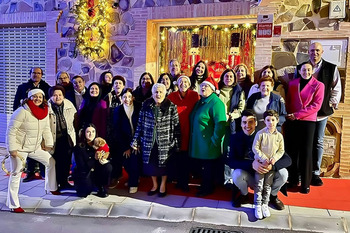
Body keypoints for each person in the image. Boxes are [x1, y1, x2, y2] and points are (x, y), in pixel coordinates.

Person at [295, 42, 341, 186]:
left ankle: (315, 173)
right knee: (304, 143)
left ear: (322, 52)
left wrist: (332, 102)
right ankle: (302, 171)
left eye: (317, 51)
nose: (314, 53)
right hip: (304, 114)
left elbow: (336, 87)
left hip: (321, 112)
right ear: (308, 52)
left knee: (318, 142)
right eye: (312, 50)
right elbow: (296, 86)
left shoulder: (331, 68)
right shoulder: (300, 67)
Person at [7, 89, 59, 213]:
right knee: (16, 174)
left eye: (40, 97)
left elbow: (46, 128)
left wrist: (49, 143)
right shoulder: (22, 111)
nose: (37, 99)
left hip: (35, 147)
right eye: (35, 97)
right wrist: (12, 148)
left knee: (51, 161)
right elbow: (11, 131)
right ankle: (13, 204)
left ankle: (51, 187)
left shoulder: (44, 111)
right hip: (20, 148)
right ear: (29, 98)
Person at [228, 110, 291, 211]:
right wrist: (252, 164)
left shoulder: (263, 135)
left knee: (284, 173)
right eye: (244, 122)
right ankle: (244, 195)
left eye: (251, 122)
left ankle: (272, 196)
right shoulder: (235, 138)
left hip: (267, 174)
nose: (247, 125)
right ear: (240, 123)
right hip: (249, 176)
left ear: (256, 123)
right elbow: (231, 161)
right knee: (236, 174)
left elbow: (287, 159)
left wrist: (272, 166)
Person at [131, 83, 180, 198]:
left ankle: (163, 185)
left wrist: (177, 143)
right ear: (152, 93)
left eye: (160, 92)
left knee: (164, 165)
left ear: (165, 93)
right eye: (156, 92)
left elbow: (176, 126)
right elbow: (140, 124)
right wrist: (135, 140)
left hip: (165, 141)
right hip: (149, 140)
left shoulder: (171, 106)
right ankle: (154, 185)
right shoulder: (146, 105)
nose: (158, 94)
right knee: (151, 165)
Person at [286, 62, 325, 194]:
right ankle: (292, 180)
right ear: (299, 70)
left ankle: (305, 184)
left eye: (308, 69)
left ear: (312, 70)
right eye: (303, 69)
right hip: (293, 121)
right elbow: (289, 101)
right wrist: (290, 115)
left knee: (306, 152)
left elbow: (316, 105)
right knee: (292, 151)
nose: (306, 72)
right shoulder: (292, 83)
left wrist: (297, 115)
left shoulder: (319, 85)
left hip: (308, 121)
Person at [189, 77, 226, 197]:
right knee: (203, 167)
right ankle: (204, 186)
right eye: (202, 86)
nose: (203, 88)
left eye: (206, 86)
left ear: (213, 89)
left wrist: (215, 141)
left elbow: (220, 124)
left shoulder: (216, 102)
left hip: (208, 143)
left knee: (207, 168)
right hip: (199, 142)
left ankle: (207, 188)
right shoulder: (201, 101)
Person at [13, 67, 51, 182]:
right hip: (27, 123)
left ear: (42, 75)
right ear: (30, 74)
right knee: (28, 149)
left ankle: (44, 172)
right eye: (34, 73)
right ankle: (30, 172)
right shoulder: (22, 87)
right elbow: (16, 105)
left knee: (40, 149)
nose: (36, 75)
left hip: (41, 122)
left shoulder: (47, 88)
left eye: (38, 73)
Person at [168, 76, 200, 192]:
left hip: (190, 130)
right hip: (175, 130)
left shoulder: (194, 95)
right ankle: (178, 180)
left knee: (187, 158)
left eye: (186, 81)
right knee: (177, 156)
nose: (183, 84)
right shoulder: (171, 96)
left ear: (189, 83)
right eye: (181, 82)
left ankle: (185, 182)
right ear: (177, 84)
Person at [252, 110, 284, 219]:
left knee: (267, 185)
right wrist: (263, 158)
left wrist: (274, 159)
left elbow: (281, 150)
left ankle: (265, 204)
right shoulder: (260, 134)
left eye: (273, 120)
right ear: (265, 121)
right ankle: (257, 205)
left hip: (271, 165)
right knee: (259, 185)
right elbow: (255, 148)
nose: (271, 123)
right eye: (268, 120)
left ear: (277, 121)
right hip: (261, 164)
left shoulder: (279, 136)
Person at [218, 68, 245, 186]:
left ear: (234, 79)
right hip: (218, 126)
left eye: (231, 77)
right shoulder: (217, 91)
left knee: (228, 152)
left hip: (231, 126)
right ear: (222, 78)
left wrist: (232, 115)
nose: (228, 78)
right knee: (218, 151)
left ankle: (228, 179)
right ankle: (217, 177)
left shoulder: (239, 91)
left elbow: (241, 108)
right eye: (226, 76)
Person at [112, 88, 142, 193]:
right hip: (124, 141)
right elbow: (117, 129)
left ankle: (133, 183)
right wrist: (125, 147)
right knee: (126, 161)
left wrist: (137, 143)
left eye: (129, 96)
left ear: (133, 97)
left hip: (138, 140)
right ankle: (133, 178)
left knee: (134, 160)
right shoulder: (118, 110)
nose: (127, 99)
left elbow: (142, 125)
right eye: (125, 97)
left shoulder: (139, 107)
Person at [48, 85, 77, 190]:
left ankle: (64, 182)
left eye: (60, 95)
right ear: (51, 96)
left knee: (66, 161)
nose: (58, 97)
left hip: (67, 137)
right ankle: (55, 184)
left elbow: (75, 120)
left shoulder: (69, 104)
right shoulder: (47, 107)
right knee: (55, 162)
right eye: (55, 95)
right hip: (53, 139)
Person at [72, 124, 112, 197]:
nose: (91, 134)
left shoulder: (99, 143)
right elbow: (82, 166)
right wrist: (94, 158)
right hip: (85, 173)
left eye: (93, 132)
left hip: (96, 171)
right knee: (84, 193)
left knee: (108, 167)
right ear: (84, 133)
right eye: (88, 132)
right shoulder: (79, 147)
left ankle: (101, 186)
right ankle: (85, 186)